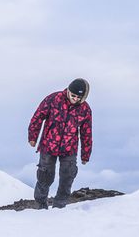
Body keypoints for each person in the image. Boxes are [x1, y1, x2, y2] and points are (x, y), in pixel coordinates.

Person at [28, 78, 93, 209]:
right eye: (73, 95)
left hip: (69, 149)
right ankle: (41, 205)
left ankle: (59, 206)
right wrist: (33, 136)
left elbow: (87, 133)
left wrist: (85, 155)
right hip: (48, 145)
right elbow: (38, 117)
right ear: (68, 91)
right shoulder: (53, 99)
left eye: (78, 97)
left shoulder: (85, 110)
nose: (75, 99)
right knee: (45, 176)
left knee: (67, 177)